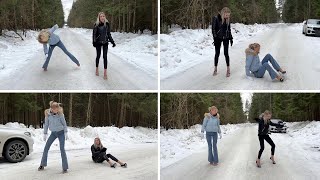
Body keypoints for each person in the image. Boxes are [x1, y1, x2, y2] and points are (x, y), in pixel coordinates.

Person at [38, 101, 69, 173]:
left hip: (61, 133)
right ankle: (42, 164)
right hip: (53, 133)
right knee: (46, 147)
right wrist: (45, 133)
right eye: (54, 108)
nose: (56, 110)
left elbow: (64, 124)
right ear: (51, 108)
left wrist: (66, 132)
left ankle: (65, 167)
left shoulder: (61, 115)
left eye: (57, 108)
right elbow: (46, 125)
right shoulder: (48, 115)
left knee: (62, 149)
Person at [92, 12, 116, 80]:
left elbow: (108, 34)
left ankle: (105, 73)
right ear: (99, 17)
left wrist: (112, 42)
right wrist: (94, 42)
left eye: (103, 16)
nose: (102, 17)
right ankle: (97, 69)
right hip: (98, 42)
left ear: (105, 17)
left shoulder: (107, 24)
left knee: (105, 57)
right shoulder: (96, 24)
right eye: (101, 16)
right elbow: (94, 34)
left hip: (105, 42)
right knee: (98, 56)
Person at [212, 7, 233, 77]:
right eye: (226, 15)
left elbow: (229, 29)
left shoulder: (228, 20)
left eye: (228, 15)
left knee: (226, 53)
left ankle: (228, 69)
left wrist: (231, 38)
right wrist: (215, 38)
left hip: (226, 38)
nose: (227, 17)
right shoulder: (216, 18)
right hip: (218, 38)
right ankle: (215, 68)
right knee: (217, 53)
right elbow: (213, 29)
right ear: (223, 14)